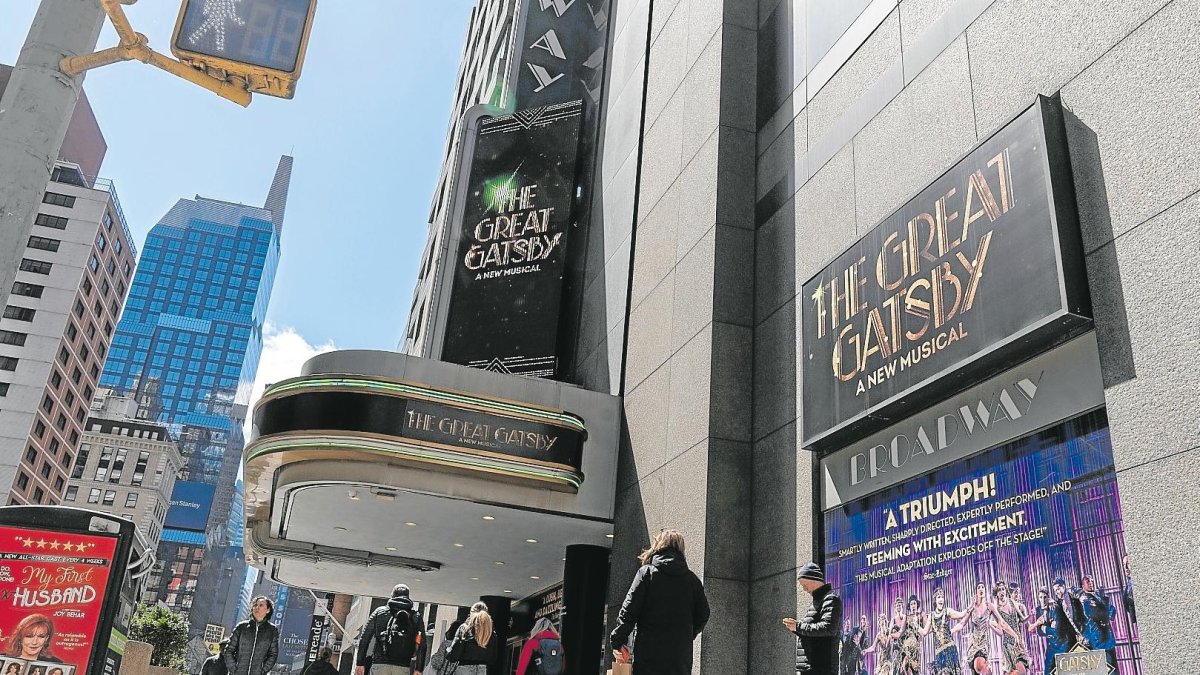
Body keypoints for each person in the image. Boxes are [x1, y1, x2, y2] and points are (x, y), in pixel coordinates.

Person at [610, 529, 710, 675]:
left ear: (659, 546)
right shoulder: (692, 581)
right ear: (680, 549)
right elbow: (703, 615)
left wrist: (618, 641)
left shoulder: (647, 574)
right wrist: (687, 634)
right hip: (679, 658)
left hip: (648, 656)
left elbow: (629, 611)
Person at [783, 562, 842, 674]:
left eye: (804, 584)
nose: (804, 589)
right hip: (811, 667)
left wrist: (799, 626)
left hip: (821, 668)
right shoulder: (818, 601)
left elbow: (828, 628)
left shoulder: (831, 599)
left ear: (813, 580)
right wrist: (795, 628)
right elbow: (813, 631)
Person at [356, 585, 424, 675]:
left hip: (380, 664)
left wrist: (360, 663)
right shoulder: (416, 616)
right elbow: (422, 644)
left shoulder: (379, 612)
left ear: (392, 596)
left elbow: (365, 638)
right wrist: (418, 668)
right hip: (403, 666)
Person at [224, 596, 280, 675]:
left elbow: (273, 655)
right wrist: (234, 669)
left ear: (268, 610)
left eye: (261, 605)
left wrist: (262, 671)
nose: (257, 607)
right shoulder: (241, 627)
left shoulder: (272, 630)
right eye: (255, 605)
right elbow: (228, 650)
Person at [1075, 575, 1117, 672]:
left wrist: (1107, 613)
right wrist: (1106, 613)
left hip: (1107, 636)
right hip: (1098, 637)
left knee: (1112, 666)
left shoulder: (1098, 596)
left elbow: (1112, 609)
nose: (1091, 584)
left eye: (1092, 581)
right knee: (1106, 667)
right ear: (1083, 586)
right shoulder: (1085, 599)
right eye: (1088, 582)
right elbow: (1094, 613)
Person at [443, 602, 494, 675]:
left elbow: (455, 654)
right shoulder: (491, 633)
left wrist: (448, 651)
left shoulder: (464, 629)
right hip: (482, 670)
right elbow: (493, 658)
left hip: (464, 668)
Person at [922, 588, 962, 675]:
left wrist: (970, 608)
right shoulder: (931, 616)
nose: (941, 599)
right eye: (938, 597)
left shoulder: (947, 611)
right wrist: (916, 625)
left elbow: (961, 615)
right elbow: (924, 632)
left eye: (942, 597)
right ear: (935, 600)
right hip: (940, 653)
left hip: (950, 649)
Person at [993, 583, 1030, 675]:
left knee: (1025, 669)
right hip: (1009, 643)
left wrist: (1030, 617)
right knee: (1021, 671)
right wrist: (991, 625)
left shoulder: (1011, 602)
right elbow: (1002, 630)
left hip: (1019, 641)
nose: (1001, 592)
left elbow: (1023, 619)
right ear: (996, 593)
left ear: (1006, 591)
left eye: (1003, 589)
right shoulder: (996, 609)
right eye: (999, 590)